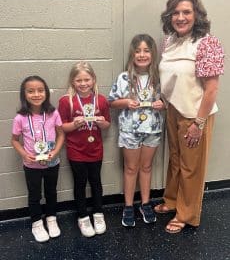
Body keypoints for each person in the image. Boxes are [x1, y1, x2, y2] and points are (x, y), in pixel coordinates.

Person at [155, 0, 224, 233]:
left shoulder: (207, 42)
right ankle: (172, 200)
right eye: (176, 12)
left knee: (192, 167)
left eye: (186, 12)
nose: (180, 17)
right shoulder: (169, 40)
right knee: (175, 160)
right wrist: (164, 100)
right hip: (174, 110)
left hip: (196, 113)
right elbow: (170, 78)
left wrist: (199, 122)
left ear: (197, 15)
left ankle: (187, 214)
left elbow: (212, 88)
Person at [108, 34, 165, 227]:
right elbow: (112, 102)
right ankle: (129, 206)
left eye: (146, 51)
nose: (142, 55)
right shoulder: (124, 77)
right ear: (132, 54)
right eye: (138, 51)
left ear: (152, 53)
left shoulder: (159, 76)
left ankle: (146, 203)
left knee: (146, 167)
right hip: (129, 130)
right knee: (131, 168)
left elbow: (167, 101)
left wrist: (162, 104)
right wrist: (125, 102)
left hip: (152, 128)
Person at [58, 61, 111, 237]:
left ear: (93, 79)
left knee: (96, 182)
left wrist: (102, 122)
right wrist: (74, 124)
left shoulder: (101, 100)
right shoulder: (67, 101)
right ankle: (82, 216)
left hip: (95, 150)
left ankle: (98, 213)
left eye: (87, 79)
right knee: (80, 183)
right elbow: (62, 128)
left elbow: (107, 124)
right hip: (76, 151)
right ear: (72, 81)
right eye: (78, 80)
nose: (83, 83)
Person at [11, 76, 65, 243]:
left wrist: (56, 151)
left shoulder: (53, 113)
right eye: (31, 91)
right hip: (31, 164)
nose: (36, 94)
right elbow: (14, 140)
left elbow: (61, 134)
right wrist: (24, 154)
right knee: (35, 195)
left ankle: (51, 219)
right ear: (24, 94)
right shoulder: (20, 118)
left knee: (51, 192)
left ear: (46, 93)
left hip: (52, 162)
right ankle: (36, 223)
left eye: (40, 90)